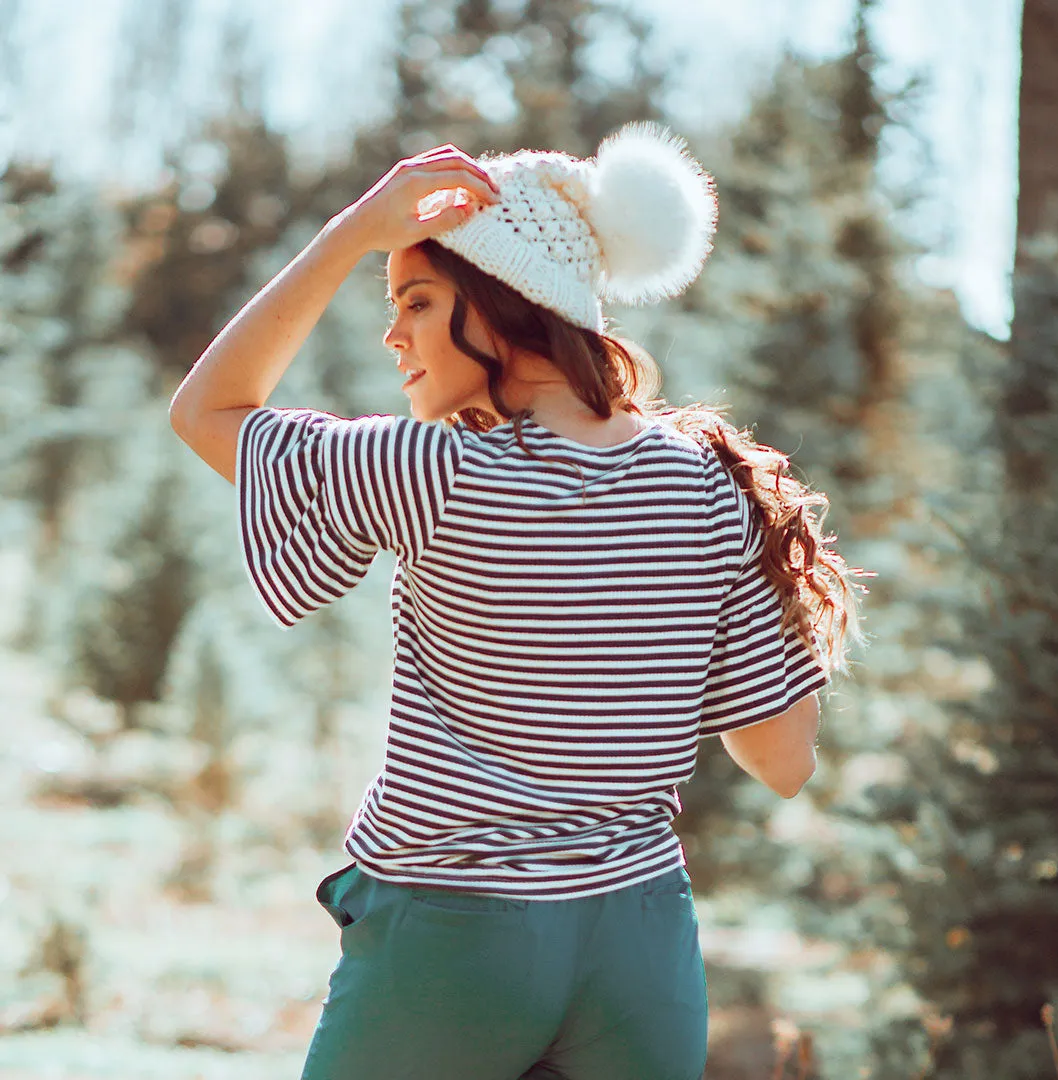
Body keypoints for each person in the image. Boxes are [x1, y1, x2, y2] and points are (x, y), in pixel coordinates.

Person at [170, 121, 867, 1080]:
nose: (393, 334)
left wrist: (349, 234)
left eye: (416, 299)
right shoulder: (712, 484)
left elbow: (207, 409)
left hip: (452, 944)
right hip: (641, 947)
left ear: (505, 304)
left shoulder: (429, 468)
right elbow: (782, 760)